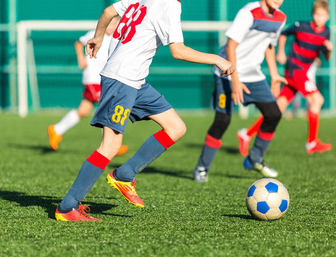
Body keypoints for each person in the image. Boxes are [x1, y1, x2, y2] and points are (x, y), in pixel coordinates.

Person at [55, 0, 235, 221]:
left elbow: (107, 12)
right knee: (110, 146)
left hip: (135, 81)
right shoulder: (170, 5)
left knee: (176, 127)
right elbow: (178, 51)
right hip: (121, 80)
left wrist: (98, 36)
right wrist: (217, 59)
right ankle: (67, 206)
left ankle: (125, 174)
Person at [193, 0, 287, 182]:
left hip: (253, 75)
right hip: (226, 72)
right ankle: (202, 167)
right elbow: (230, 45)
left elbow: (269, 45)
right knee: (222, 120)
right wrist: (234, 79)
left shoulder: (280, 18)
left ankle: (254, 159)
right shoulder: (249, 12)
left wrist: (274, 74)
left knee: (274, 114)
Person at [237, 0, 332, 156]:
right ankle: (312, 143)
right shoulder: (302, 26)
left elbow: (326, 57)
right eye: (317, 14)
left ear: (327, 16)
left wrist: (329, 50)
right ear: (313, 14)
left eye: (322, 15)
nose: (319, 18)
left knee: (278, 108)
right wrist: (281, 52)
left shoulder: (326, 33)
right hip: (295, 70)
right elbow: (283, 34)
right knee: (317, 100)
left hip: (303, 72)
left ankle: (246, 134)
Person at [47, 18, 128, 156]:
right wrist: (80, 58)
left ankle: (56, 129)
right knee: (107, 108)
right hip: (92, 78)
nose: (111, 27)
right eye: (109, 24)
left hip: (102, 79)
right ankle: (111, 144)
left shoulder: (115, 39)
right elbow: (78, 43)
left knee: (84, 110)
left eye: (114, 24)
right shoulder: (95, 34)